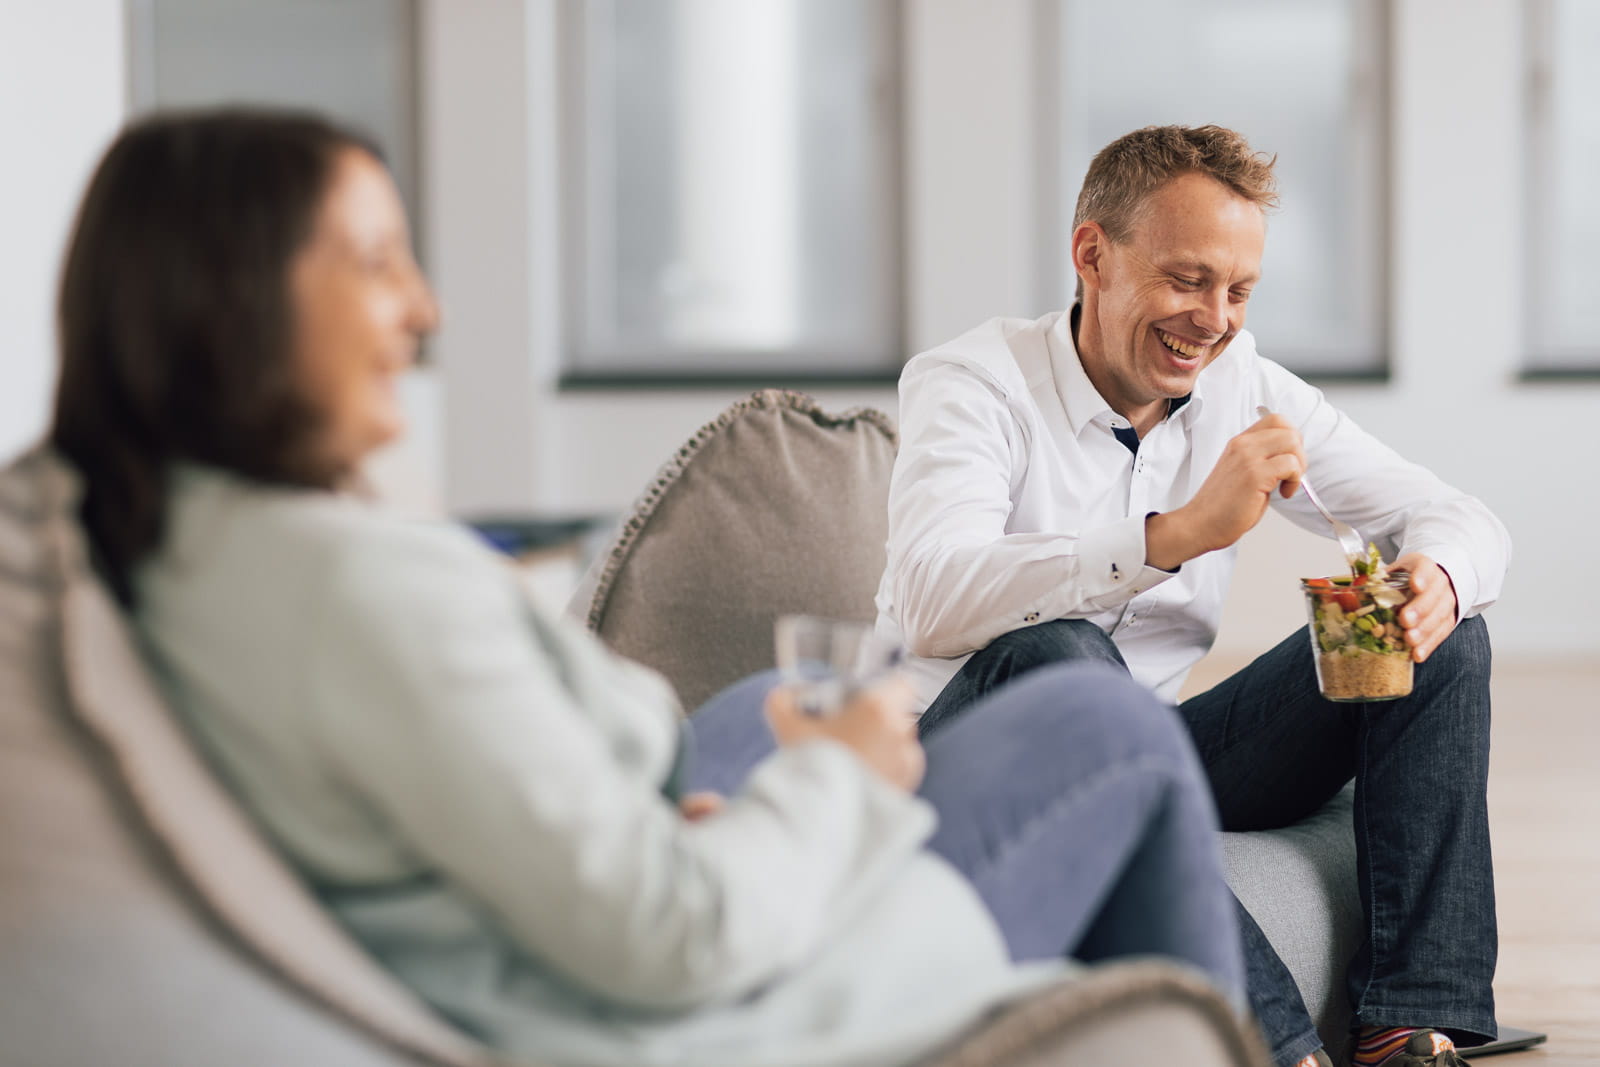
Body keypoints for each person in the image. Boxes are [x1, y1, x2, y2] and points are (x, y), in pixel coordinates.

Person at [48, 108, 1249, 1067]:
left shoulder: (177, 547)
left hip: (571, 906)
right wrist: (832, 785)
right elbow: (674, 935)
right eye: (373, 261)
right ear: (232, 301)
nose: (423, 307)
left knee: (768, 698)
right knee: (1101, 722)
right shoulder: (352, 597)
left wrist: (674, 808)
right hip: (692, 1011)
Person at [874, 124, 1510, 1067]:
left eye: (1239, 290)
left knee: (1442, 637)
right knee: (1067, 659)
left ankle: (1408, 1025)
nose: (1214, 319)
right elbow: (933, 591)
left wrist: (1438, 576)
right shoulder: (974, 383)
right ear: (1093, 253)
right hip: (963, 755)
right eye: (1186, 279)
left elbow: (1456, 513)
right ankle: (1277, 1047)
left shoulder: (1242, 387)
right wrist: (1171, 537)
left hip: (1159, 753)